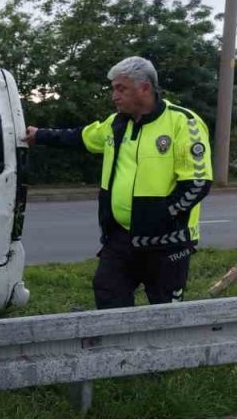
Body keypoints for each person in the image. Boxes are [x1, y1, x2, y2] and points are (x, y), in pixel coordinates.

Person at [25, 56, 213, 309]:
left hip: (167, 243)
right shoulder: (116, 123)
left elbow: (198, 182)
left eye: (120, 88)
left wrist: (162, 215)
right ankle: (118, 349)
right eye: (113, 89)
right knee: (108, 295)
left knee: (166, 311)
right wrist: (41, 135)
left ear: (144, 88)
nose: (114, 96)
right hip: (120, 239)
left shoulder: (183, 123)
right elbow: (82, 137)